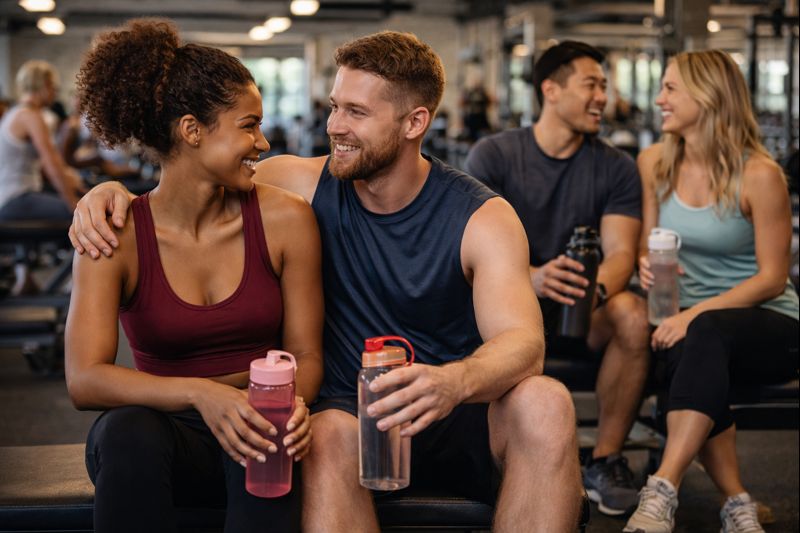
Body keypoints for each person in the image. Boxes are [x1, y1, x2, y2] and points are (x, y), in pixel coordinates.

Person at [68, 30, 583, 532]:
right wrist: (106, 193)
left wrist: (453, 382)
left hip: (452, 412)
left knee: (546, 401)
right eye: (334, 106)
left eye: (356, 113)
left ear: (415, 122)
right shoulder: (295, 185)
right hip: (348, 421)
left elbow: (523, 343)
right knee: (331, 431)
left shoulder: (482, 217)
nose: (335, 125)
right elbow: (192, 177)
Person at [63, 19, 322, 533]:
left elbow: (308, 357)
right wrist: (204, 394)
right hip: (160, 440)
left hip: (255, 424)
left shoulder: (286, 220)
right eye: (249, 125)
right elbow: (84, 379)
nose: (263, 142)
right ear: (192, 130)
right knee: (126, 431)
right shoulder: (115, 234)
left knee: (265, 434)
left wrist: (282, 406)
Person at [464, 41, 649, 517]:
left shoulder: (616, 167)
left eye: (605, 87)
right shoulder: (495, 156)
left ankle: (605, 459)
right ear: (551, 89)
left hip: (583, 313)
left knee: (631, 313)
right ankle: (492, 459)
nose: (603, 97)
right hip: (507, 304)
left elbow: (622, 252)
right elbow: (466, 249)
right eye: (591, 84)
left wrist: (591, 291)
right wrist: (532, 277)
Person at [623, 49, 799, 533]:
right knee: (699, 354)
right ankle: (737, 504)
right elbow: (648, 248)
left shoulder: (760, 175)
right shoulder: (654, 162)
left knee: (702, 336)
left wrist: (691, 317)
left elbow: (772, 278)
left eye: (671, 89)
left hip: (769, 325)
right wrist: (647, 269)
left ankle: (661, 489)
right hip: (689, 328)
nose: (659, 99)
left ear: (708, 95)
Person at [0, 60, 85, 294]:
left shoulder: (18, 113)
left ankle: (24, 279)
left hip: (17, 197)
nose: (55, 93)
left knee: (76, 203)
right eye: (54, 87)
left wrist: (75, 187)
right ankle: (76, 287)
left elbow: (53, 167)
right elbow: (52, 163)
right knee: (86, 219)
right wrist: (73, 205)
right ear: (44, 85)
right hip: (15, 201)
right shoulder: (30, 116)